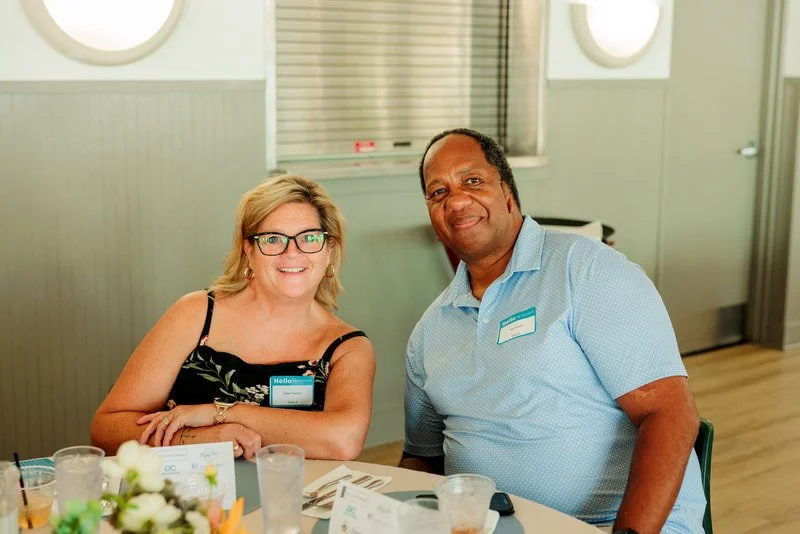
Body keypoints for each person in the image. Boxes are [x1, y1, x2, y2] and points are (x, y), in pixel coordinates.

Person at [401, 128, 706, 533]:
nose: (456, 200)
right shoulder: (429, 331)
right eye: (437, 192)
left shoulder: (585, 270)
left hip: (607, 525)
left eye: (472, 181)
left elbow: (669, 412)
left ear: (508, 192)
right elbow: (422, 458)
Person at [91, 174, 375, 460]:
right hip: (185, 498)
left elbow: (344, 440)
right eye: (273, 239)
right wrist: (203, 439)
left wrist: (223, 414)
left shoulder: (347, 348)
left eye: (309, 238)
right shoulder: (196, 314)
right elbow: (106, 428)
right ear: (248, 251)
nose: (292, 252)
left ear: (329, 251)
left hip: (290, 499)